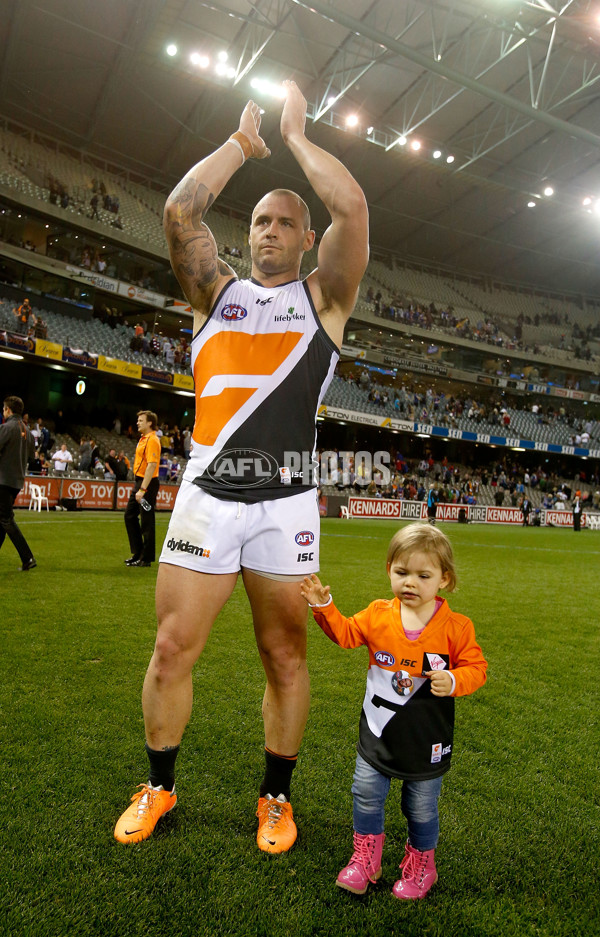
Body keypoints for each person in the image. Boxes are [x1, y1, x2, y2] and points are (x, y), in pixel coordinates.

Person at [113, 80, 369, 851]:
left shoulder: (325, 299)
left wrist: (295, 138)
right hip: (205, 497)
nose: (267, 231)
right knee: (170, 647)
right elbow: (179, 214)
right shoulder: (212, 294)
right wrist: (240, 146)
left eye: (283, 222)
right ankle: (160, 787)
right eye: (259, 221)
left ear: (303, 237)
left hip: (287, 502)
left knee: (285, 654)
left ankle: (276, 800)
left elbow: (353, 210)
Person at [300, 523, 487, 900]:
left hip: (426, 740)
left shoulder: (456, 628)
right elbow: (347, 634)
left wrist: (454, 680)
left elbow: (477, 668)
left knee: (420, 806)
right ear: (389, 570)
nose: (410, 583)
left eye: (423, 575)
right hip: (378, 730)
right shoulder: (377, 614)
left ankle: (422, 865)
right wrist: (324, 607)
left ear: (444, 580)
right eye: (402, 572)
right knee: (365, 792)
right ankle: (365, 858)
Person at [0, 396, 36, 571]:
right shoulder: (28, 432)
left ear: (8, 410)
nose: (3, 412)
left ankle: (27, 557)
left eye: (4, 409)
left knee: (6, 519)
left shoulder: (6, 428)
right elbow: (32, 457)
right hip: (17, 481)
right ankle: (27, 557)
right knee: (2, 519)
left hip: (3, 480)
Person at [123, 410, 161, 568]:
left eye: (141, 420)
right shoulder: (143, 439)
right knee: (129, 516)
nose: (137, 422)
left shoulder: (153, 440)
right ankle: (137, 552)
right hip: (140, 482)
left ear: (149, 423)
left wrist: (143, 489)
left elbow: (152, 465)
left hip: (147, 484)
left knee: (147, 520)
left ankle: (146, 558)